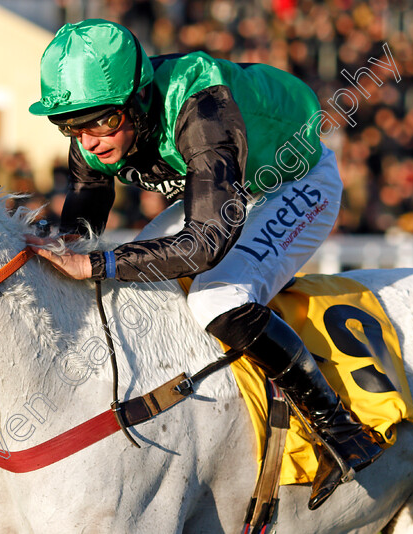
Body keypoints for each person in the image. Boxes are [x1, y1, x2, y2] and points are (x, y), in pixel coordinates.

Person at [26, 19, 383, 511]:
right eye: (71, 125)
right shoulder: (96, 117)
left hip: (292, 181)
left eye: (103, 121)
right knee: (130, 283)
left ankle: (342, 430)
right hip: (229, 186)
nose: (88, 141)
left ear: (139, 98)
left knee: (219, 297)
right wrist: (51, 248)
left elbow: (203, 244)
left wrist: (96, 265)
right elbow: (84, 218)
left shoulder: (202, 109)